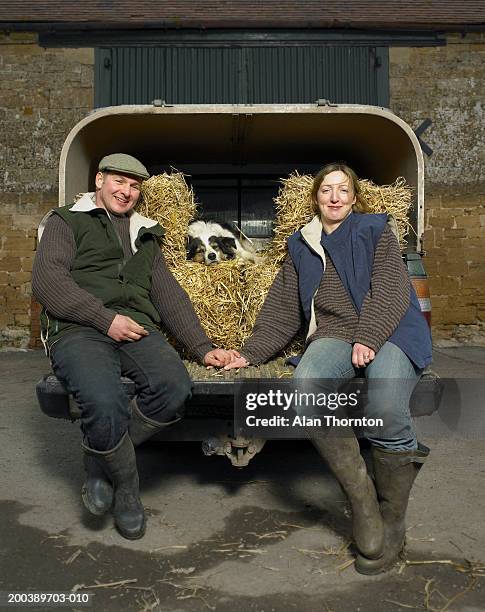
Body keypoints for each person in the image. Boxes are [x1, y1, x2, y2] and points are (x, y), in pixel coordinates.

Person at [225, 162, 432, 573]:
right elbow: (283, 309)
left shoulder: (376, 230)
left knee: (387, 405)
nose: (334, 197)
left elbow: (391, 290)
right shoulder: (300, 245)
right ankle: (363, 502)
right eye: (326, 190)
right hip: (335, 332)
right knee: (306, 391)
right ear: (315, 197)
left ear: (354, 197)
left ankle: (394, 518)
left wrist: (369, 337)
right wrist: (251, 352)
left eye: (342, 190)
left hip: (389, 327)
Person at [32, 153, 235, 540]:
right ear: (99, 180)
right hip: (78, 328)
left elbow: (168, 294)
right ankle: (127, 490)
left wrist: (201, 346)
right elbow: (47, 282)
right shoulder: (66, 221)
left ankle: (97, 457)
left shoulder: (145, 233)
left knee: (174, 388)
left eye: (134, 185)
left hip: (135, 328)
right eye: (119, 182)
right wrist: (104, 319)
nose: (126, 191)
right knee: (104, 400)